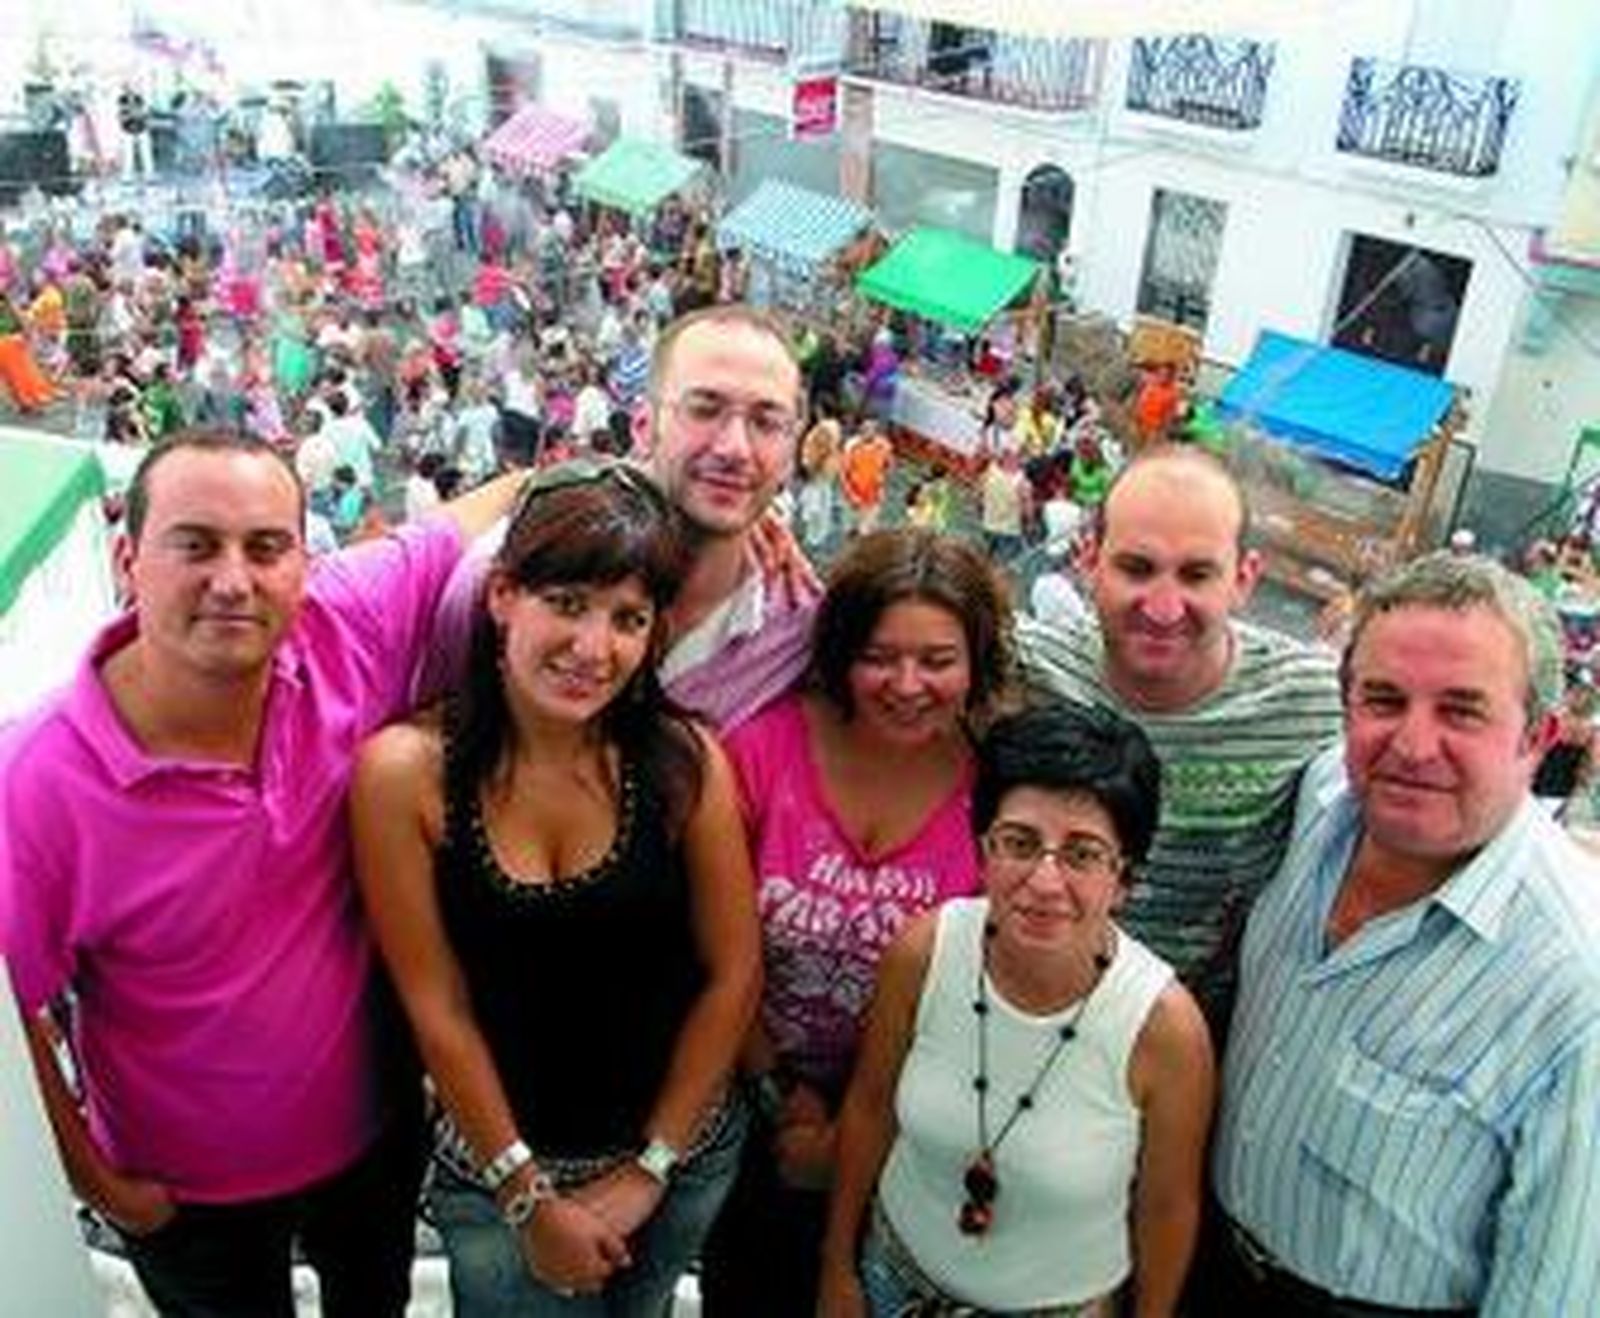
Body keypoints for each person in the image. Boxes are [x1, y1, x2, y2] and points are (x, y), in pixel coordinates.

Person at [0, 429, 526, 1317]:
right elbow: (11, 1018)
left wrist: (713, 533)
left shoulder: (345, 621)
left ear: (303, 560)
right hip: (186, 1193)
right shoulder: (38, 782)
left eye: (266, 547)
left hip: (372, 1141)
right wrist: (99, 1184)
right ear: (129, 558)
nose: (234, 580)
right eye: (195, 545)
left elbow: (502, 501)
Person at [351, 464, 761, 1315]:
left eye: (628, 619)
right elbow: (437, 1004)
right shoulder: (408, 776)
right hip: (500, 1174)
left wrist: (650, 1170)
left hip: (678, 1157)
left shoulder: (685, 765)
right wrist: (527, 1197)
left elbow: (732, 975)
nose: (592, 648)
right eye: (567, 603)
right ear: (503, 597)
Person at [1207, 551, 1600, 1317]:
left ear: (1538, 738)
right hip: (1210, 1265)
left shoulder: (1575, 984)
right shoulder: (1323, 797)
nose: (1413, 746)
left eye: (1461, 710)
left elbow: (1555, 1290)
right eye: (1383, 699)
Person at [701, 529, 1015, 1318]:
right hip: (746, 1104)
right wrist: (782, 1094)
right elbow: (716, 944)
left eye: (938, 660)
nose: (907, 684)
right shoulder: (760, 750)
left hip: (915, 1125)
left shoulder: (999, 790)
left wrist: (856, 1130)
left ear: (976, 663)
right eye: (880, 655)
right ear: (839, 652)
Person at [821, 700, 1215, 1317]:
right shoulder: (925, 952)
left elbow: (1168, 1207)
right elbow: (870, 1107)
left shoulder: (1164, 1029)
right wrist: (837, 1266)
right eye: (1019, 843)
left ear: (1126, 877)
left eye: (1082, 854)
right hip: (890, 1279)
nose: (1044, 881)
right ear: (983, 849)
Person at [1018, 445, 1342, 1032]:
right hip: (1022, 1016)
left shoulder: (1313, 701)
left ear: (1244, 579)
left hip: (1195, 1048)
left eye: (1197, 574)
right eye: (1137, 568)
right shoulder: (1027, 668)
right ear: (1089, 561)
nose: (1164, 608)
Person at [428, 304, 816, 733]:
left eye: (767, 421)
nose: (735, 448)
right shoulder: (510, 572)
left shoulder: (799, 629)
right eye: (705, 410)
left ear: (791, 449)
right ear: (644, 426)